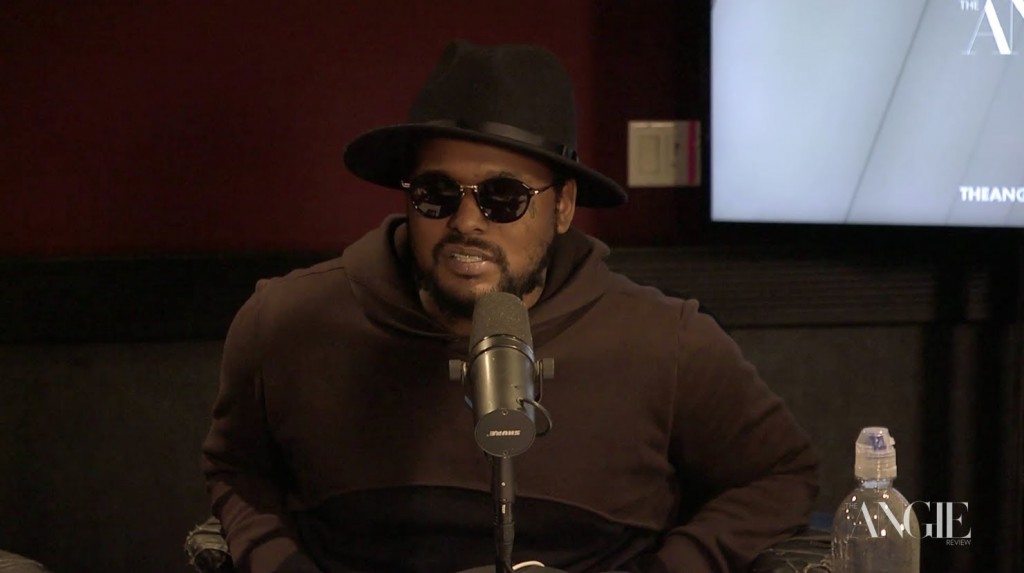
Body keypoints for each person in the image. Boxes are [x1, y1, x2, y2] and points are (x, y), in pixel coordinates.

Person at [201, 40, 819, 573]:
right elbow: (237, 471)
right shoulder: (286, 322)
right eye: (437, 193)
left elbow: (780, 476)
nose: (467, 222)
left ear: (563, 207)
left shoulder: (668, 343)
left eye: (503, 197)